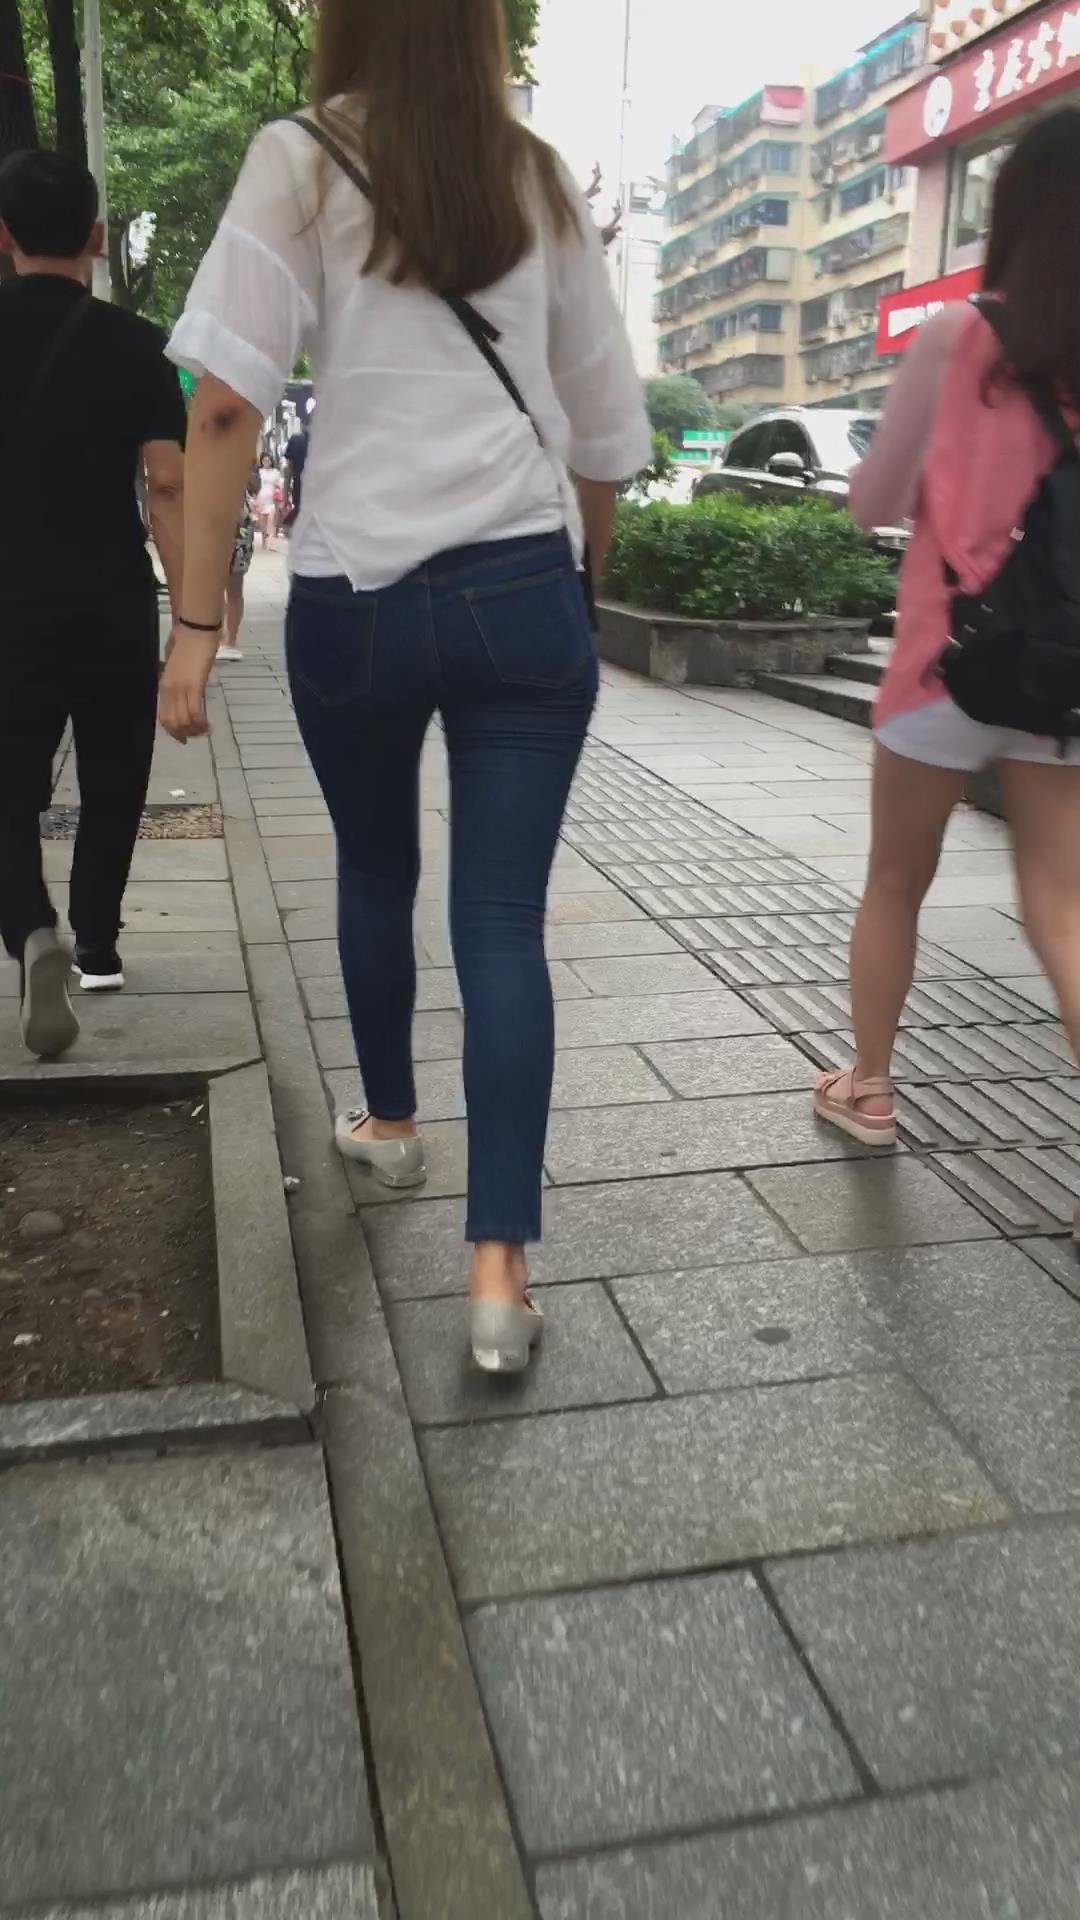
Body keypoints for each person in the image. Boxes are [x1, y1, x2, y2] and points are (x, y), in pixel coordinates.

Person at [159, 0, 650, 1372]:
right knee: (502, 923)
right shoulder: (537, 177)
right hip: (521, 589)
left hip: (358, 595)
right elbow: (603, 428)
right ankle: (499, 1277)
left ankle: (387, 1128)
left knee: (375, 871)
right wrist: (577, 585)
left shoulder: (300, 158)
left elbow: (223, 402)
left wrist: (193, 624)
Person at [814, 108, 1080, 1164]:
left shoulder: (959, 334)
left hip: (944, 665)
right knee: (1063, 904)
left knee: (896, 879)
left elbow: (872, 504)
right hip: (1063, 673)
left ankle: (870, 1089)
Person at [0, 150, 185, 1053]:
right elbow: (169, 483)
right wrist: (196, 620)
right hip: (112, 594)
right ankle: (99, 944)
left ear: (2, 235)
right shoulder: (140, 344)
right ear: (97, 236)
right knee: (115, 770)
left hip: (8, 599)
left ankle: (30, 927)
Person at [219, 480, 257, 663]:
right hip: (213, 520)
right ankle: (219, 637)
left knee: (233, 586)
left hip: (238, 524)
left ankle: (229, 641)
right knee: (214, 587)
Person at [282, 417, 309, 531]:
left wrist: (285, 496)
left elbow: (288, 470)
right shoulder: (327, 440)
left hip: (300, 488)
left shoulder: (295, 440)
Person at [255, 450, 282, 547]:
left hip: (272, 500)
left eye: (268, 460)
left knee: (271, 521)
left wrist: (280, 498)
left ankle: (271, 543)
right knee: (263, 522)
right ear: (261, 461)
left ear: (271, 461)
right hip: (261, 498)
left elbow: (279, 485)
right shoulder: (259, 472)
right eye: (264, 460)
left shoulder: (276, 472)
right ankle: (264, 541)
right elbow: (255, 485)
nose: (266, 462)